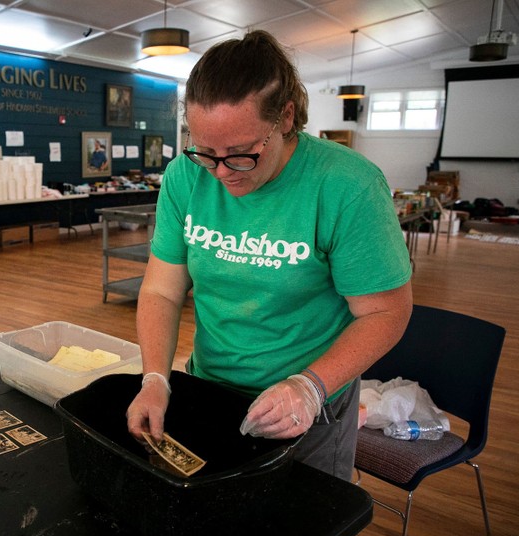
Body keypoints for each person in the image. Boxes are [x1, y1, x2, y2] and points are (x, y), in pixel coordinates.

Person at [125, 31, 413, 481]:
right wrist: (155, 379)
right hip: (208, 388)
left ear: (285, 118)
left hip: (309, 404)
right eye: (206, 152)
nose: (221, 174)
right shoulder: (184, 177)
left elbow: (385, 312)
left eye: (241, 155)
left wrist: (309, 386)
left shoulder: (346, 185)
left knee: (295, 534)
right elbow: (162, 290)